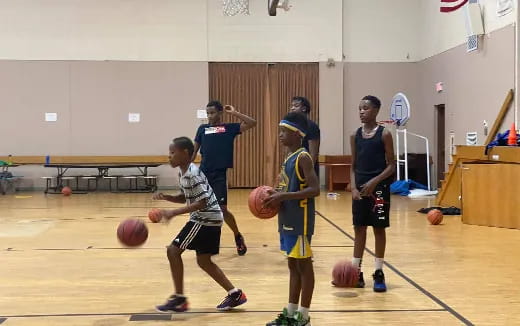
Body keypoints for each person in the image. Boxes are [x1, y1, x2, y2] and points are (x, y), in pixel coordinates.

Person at [154, 137, 247, 312]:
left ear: (185, 153)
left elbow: (202, 202)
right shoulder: (185, 172)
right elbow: (186, 198)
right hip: (209, 218)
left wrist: (173, 213)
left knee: (173, 251)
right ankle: (235, 294)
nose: (170, 157)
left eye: (173, 153)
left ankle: (180, 299)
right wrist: (167, 197)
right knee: (204, 261)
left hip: (205, 218)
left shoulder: (192, 174)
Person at [264, 112, 320, 326]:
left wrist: (283, 196)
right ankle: (290, 312)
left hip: (300, 221)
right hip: (287, 219)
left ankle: (303, 317)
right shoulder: (288, 158)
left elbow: (315, 190)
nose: (279, 135)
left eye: (284, 132)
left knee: (304, 267)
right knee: (292, 266)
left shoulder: (303, 157)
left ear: (297, 135)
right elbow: (284, 187)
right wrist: (272, 195)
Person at [193, 100, 257, 256]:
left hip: (219, 175)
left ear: (220, 113)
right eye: (208, 113)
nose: (209, 116)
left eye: (213, 112)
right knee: (201, 209)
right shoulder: (202, 129)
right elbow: (194, 152)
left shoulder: (228, 128)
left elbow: (252, 123)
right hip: (203, 174)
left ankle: (237, 235)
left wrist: (234, 113)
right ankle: (205, 240)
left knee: (222, 210)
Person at [350, 95, 395, 292]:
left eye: (365, 108)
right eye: (360, 108)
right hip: (360, 189)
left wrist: (374, 181)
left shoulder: (384, 134)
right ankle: (355, 271)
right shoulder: (355, 135)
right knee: (359, 229)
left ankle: (378, 272)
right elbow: (352, 166)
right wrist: (353, 187)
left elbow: (392, 165)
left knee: (378, 229)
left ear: (376, 111)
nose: (361, 111)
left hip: (378, 189)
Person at [289, 96, 320, 177]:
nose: (292, 108)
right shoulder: (293, 127)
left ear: (304, 109)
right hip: (294, 167)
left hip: (307, 171)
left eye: (296, 106)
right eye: (292, 106)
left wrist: (308, 174)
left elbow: (313, 155)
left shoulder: (312, 127)